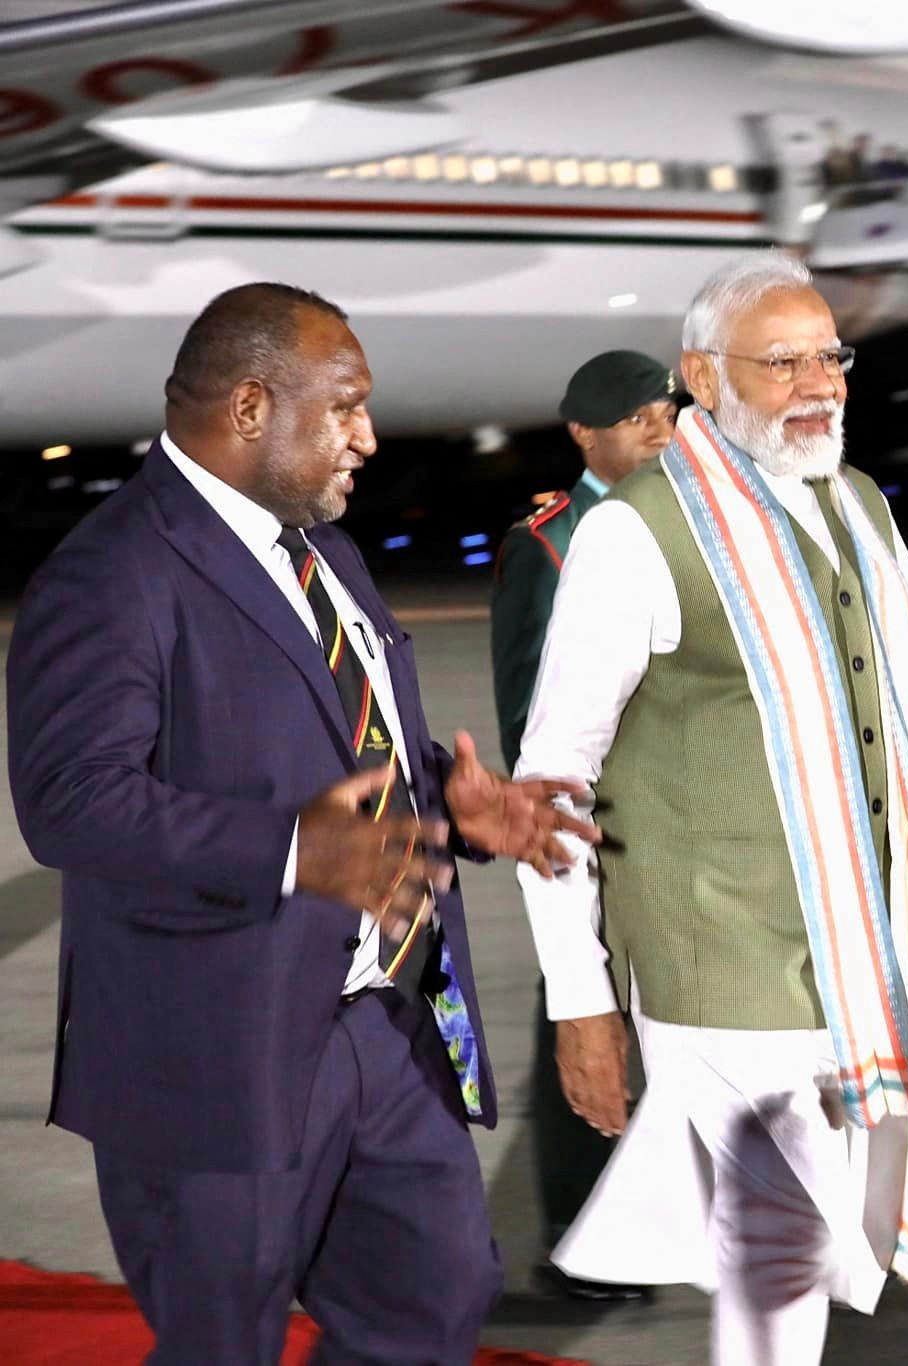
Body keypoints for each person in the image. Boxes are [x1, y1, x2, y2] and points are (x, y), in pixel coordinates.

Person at [5, 282, 596, 1364]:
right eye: (344, 408)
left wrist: (449, 809)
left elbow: (334, 744)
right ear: (248, 407)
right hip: (215, 1050)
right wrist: (289, 852)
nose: (367, 438)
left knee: (437, 1297)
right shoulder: (111, 572)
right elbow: (71, 800)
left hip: (382, 1025)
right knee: (220, 1337)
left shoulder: (326, 553)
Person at [513, 252, 908, 1366]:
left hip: (864, 962)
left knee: (793, 1267)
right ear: (701, 380)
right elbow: (549, 783)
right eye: (782, 362)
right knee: (779, 1263)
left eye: (830, 355)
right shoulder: (636, 533)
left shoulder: (855, 504)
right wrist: (581, 1004)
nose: (819, 383)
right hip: (724, 973)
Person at [490, 348, 676, 1302]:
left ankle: (654, 1220)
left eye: (664, 411)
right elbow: (530, 713)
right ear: (582, 435)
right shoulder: (550, 543)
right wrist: (559, 831)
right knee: (581, 1011)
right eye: (635, 417)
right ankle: (578, 1241)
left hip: (682, 826)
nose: (659, 428)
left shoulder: (690, 523)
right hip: (596, 831)